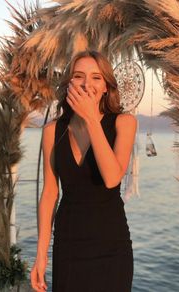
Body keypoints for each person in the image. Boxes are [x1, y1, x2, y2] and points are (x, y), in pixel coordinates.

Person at [31, 50, 137, 292]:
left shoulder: (124, 123)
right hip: (68, 245)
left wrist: (91, 118)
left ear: (106, 87)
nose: (87, 83)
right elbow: (49, 194)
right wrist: (41, 254)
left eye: (96, 77)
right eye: (79, 76)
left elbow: (112, 178)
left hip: (111, 247)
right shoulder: (52, 131)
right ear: (70, 84)